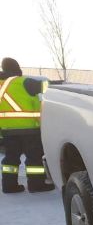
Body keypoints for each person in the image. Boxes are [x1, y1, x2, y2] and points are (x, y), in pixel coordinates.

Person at [1, 57, 54, 193]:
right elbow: (47, 87)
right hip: (29, 129)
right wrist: (57, 84)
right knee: (34, 158)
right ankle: (36, 185)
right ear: (17, 68)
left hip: (7, 130)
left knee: (10, 159)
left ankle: (9, 186)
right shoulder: (24, 82)